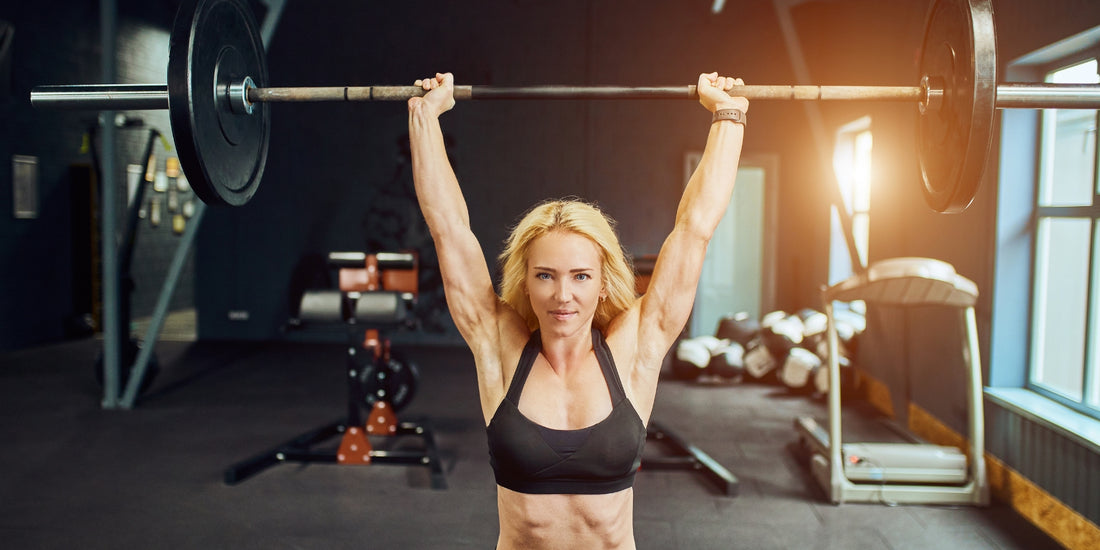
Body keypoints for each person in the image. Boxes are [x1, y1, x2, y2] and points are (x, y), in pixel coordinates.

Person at [407, 71, 747, 550]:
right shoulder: (498, 346)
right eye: (545, 275)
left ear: (603, 282)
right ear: (526, 281)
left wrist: (729, 115)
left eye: (580, 276)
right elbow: (448, 228)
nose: (562, 295)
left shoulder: (636, 349)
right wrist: (425, 117)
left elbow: (694, 229)